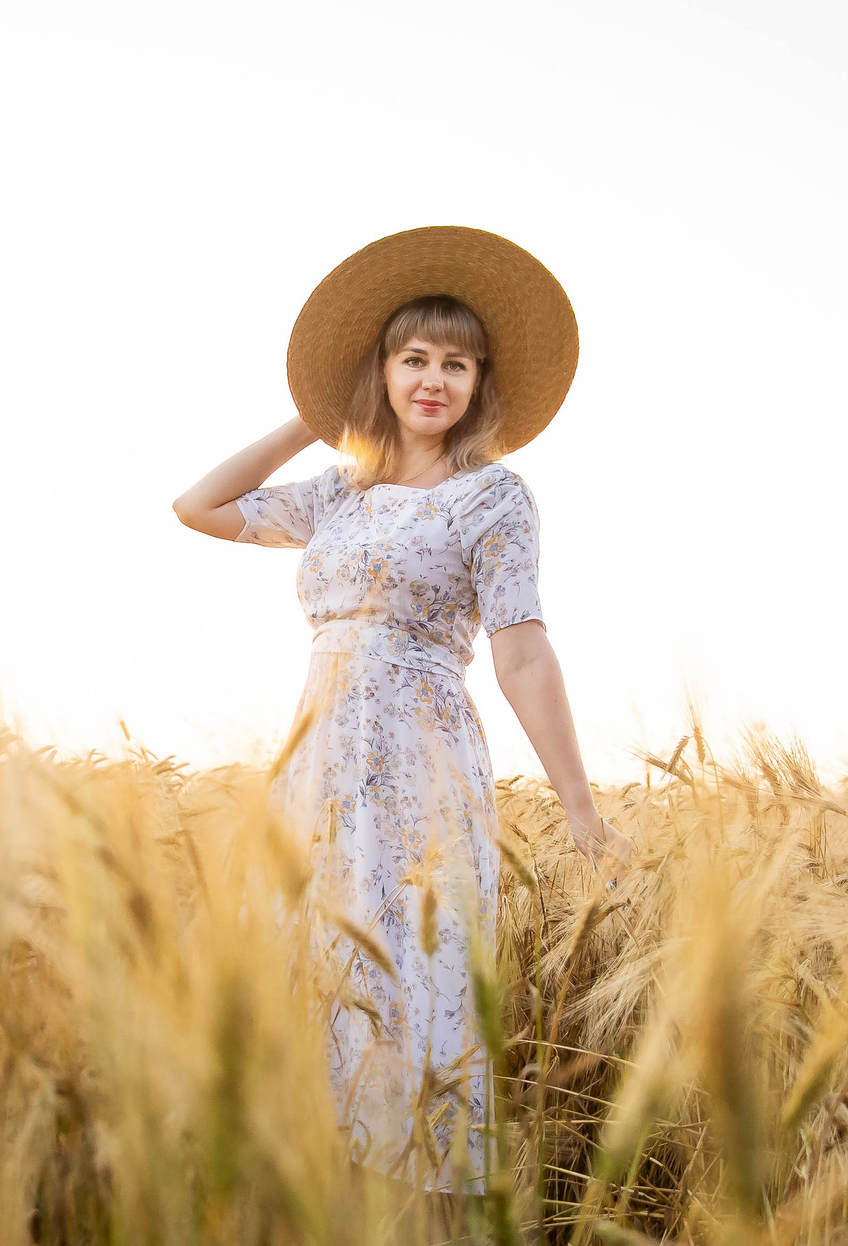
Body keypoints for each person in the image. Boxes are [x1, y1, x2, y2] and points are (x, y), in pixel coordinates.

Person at [173, 226, 630, 1191]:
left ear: (480, 384)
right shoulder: (339, 493)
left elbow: (524, 653)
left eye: (456, 364)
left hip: (420, 764)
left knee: (409, 979)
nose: (434, 379)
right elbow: (199, 506)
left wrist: (582, 810)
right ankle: (314, 1206)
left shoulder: (493, 499)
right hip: (317, 765)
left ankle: (415, 1231)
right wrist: (313, 415)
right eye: (412, 357)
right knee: (310, 969)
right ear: (381, 371)